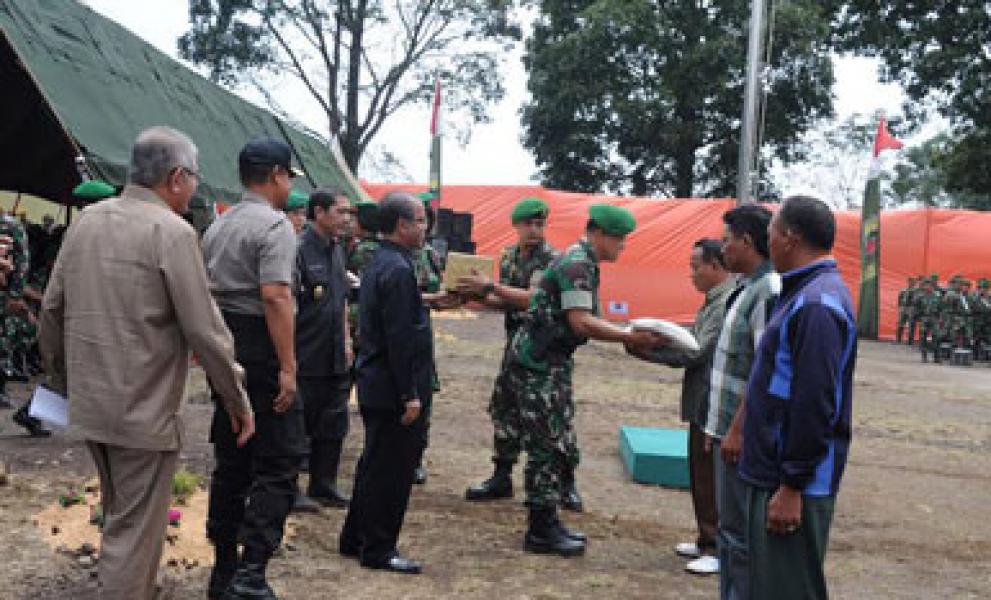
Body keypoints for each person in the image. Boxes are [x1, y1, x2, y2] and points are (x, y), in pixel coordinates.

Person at [37, 126, 254, 600]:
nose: (195, 187)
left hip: (94, 406)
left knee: (122, 520)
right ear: (177, 177)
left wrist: (61, 382)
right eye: (194, 177)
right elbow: (206, 332)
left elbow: (51, 311)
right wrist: (236, 397)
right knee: (131, 537)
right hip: (144, 412)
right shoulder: (172, 232)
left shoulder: (87, 222)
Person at [508, 204, 662, 557]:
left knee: (556, 436)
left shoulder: (583, 262)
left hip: (550, 361)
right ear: (600, 235)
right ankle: (540, 529)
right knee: (545, 444)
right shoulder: (577, 264)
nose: (622, 246)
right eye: (619, 239)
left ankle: (548, 519)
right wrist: (630, 336)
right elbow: (582, 322)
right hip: (538, 364)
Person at [740, 195, 857, 599]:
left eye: (770, 233)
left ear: (788, 238)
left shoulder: (816, 305)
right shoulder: (801, 294)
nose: (767, 241)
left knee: (788, 589)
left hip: (791, 481)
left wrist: (792, 485)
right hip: (776, 469)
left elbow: (815, 403)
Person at [202, 136, 303, 599]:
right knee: (278, 464)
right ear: (278, 175)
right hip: (262, 346)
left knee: (232, 460)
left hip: (224, 346)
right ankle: (252, 572)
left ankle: (223, 569)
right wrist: (288, 367)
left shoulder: (218, 227)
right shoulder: (275, 227)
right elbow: (276, 296)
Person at [626, 238, 735, 575]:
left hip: (714, 401)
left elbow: (696, 351)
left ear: (715, 266)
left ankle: (716, 546)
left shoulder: (724, 302)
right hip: (703, 398)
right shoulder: (714, 301)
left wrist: (649, 350)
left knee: (710, 475)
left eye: (695, 266)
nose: (691, 274)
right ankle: (706, 538)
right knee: (699, 473)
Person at [338, 192, 433, 574]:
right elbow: (400, 338)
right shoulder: (397, 269)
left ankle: (354, 538)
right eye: (421, 220)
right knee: (392, 471)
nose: (425, 228)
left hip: (378, 381)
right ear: (401, 225)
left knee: (374, 464)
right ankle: (378, 548)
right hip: (394, 386)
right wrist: (410, 394)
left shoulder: (383, 261)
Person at [457, 197, 568, 505]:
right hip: (515, 344)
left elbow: (533, 298)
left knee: (549, 417)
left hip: (543, 348)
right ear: (516, 226)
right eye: (529, 224)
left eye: (540, 224)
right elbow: (504, 301)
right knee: (505, 408)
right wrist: (471, 296)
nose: (535, 230)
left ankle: (565, 482)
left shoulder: (553, 259)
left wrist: (490, 288)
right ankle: (501, 475)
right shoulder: (509, 258)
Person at [705, 204, 780, 600]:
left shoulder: (767, 291)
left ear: (747, 242)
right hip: (725, 431)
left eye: (728, 239)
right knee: (728, 532)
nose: (723, 247)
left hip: (740, 438)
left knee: (740, 536)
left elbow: (765, 370)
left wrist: (735, 429)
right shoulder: (745, 286)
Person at [292, 188, 353, 512]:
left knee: (333, 422)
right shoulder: (298, 250)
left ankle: (324, 483)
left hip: (332, 352)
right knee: (298, 425)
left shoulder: (336, 249)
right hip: (306, 352)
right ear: (319, 212)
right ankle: (292, 489)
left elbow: (339, 298)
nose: (346, 219)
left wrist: (345, 339)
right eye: (340, 212)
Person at [896, 276, 916, 344]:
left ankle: (910, 341)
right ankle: (898, 339)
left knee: (911, 325)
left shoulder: (915, 291)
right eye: (910, 281)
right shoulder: (903, 290)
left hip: (911, 308)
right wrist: (900, 307)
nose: (911, 283)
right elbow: (899, 299)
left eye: (912, 282)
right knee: (901, 323)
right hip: (904, 308)